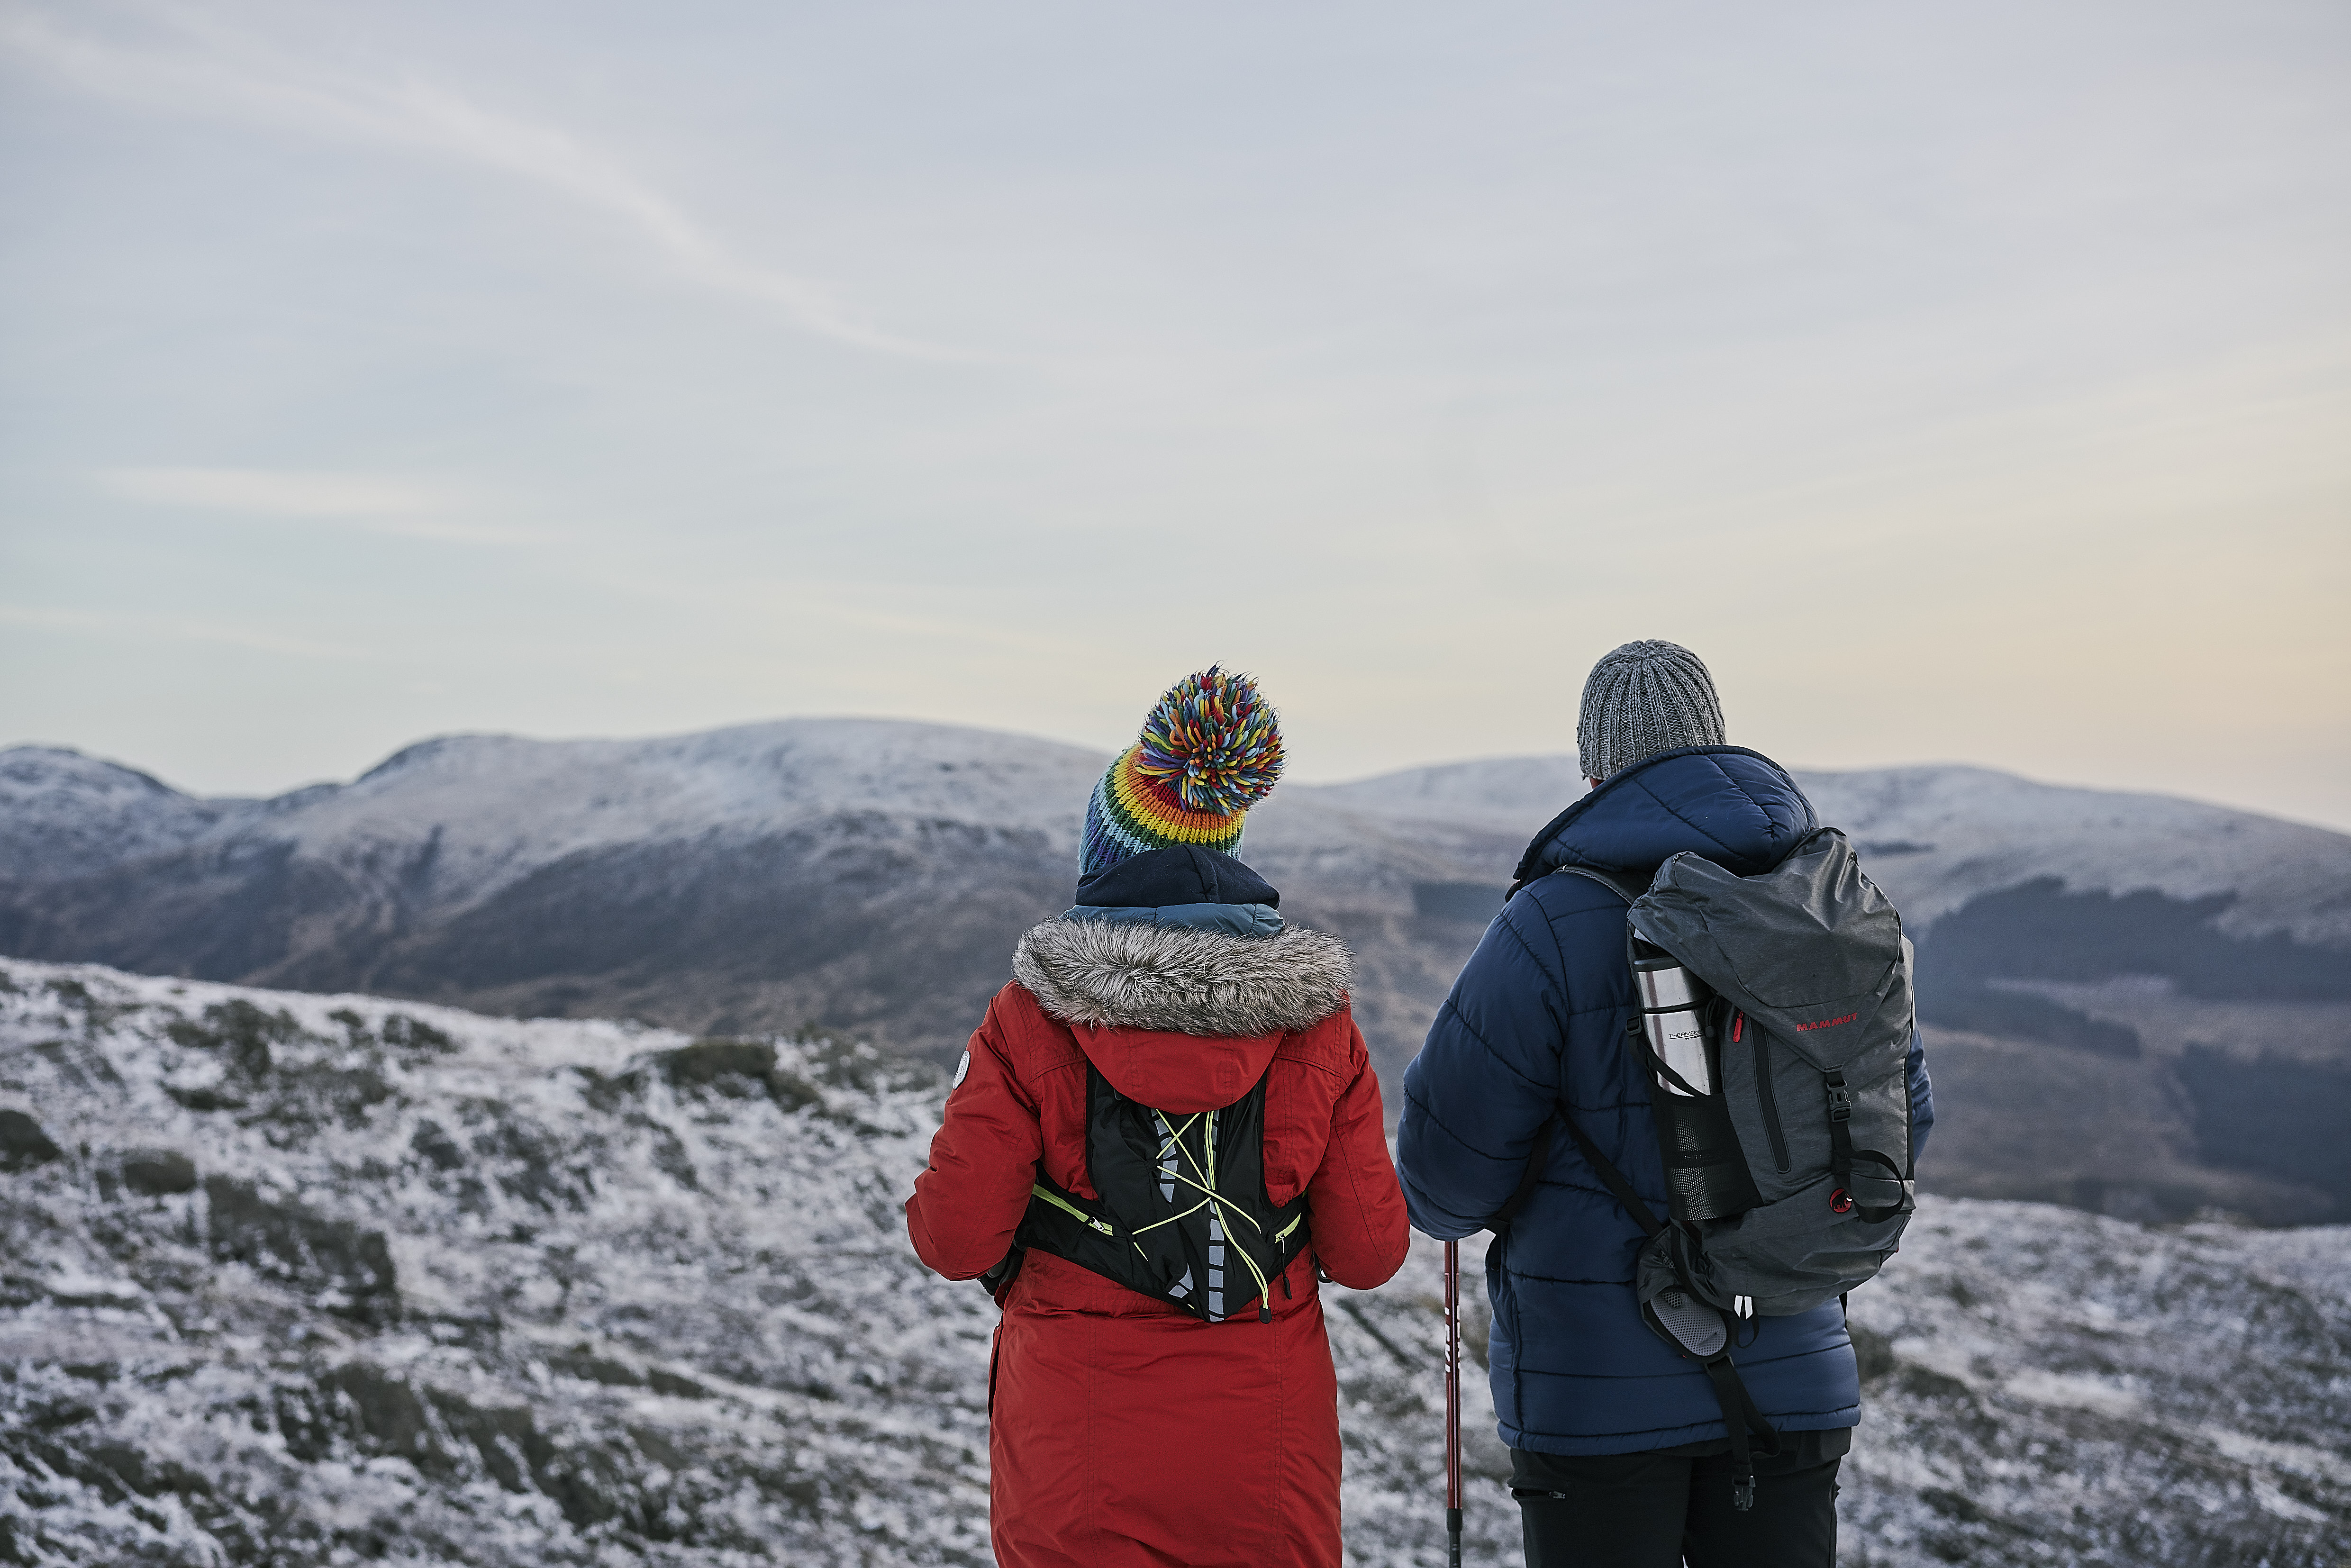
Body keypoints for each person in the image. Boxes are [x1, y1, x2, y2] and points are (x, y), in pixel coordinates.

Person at [1396, 640, 1934, 1568]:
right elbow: (1900, 1119)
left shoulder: (1550, 923)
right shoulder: (1822, 906)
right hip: (1792, 1379)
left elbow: (1444, 1183)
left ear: (1596, 770)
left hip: (1595, 1401)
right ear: (1716, 741)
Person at [907, 667, 1409, 1568]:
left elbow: (954, 1238)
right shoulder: (1321, 1024)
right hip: (1267, 1441)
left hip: (1076, 1444)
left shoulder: (1028, 1019)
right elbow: (1369, 1254)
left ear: (1100, 861)